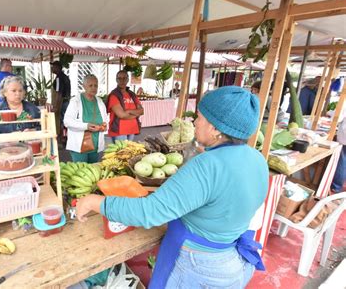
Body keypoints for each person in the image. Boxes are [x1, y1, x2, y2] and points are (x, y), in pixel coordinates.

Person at [77, 86, 269, 288]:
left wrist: (95, 202)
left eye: (200, 117)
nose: (195, 122)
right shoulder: (257, 159)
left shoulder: (207, 166)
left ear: (216, 128)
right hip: (232, 265)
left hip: (198, 267)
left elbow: (149, 212)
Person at [64, 74, 108, 163]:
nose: (93, 88)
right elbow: (67, 121)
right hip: (80, 145)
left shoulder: (99, 101)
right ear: (84, 86)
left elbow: (105, 118)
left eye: (95, 85)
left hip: (95, 144)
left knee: (93, 170)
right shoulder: (75, 101)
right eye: (90, 85)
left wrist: (104, 125)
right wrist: (86, 126)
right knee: (81, 171)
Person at [106, 70, 144, 142]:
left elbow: (142, 111)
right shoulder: (114, 95)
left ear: (128, 79)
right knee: (121, 152)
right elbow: (122, 115)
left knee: (129, 152)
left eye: (124, 78)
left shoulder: (132, 94)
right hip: (119, 131)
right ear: (116, 80)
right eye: (119, 78)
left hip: (132, 129)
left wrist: (128, 111)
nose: (122, 80)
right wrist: (136, 114)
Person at [50, 61, 72, 141]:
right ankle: (66, 137)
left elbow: (59, 93)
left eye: (53, 67)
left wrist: (56, 106)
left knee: (62, 120)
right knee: (65, 120)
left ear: (58, 68)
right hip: (66, 101)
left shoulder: (59, 78)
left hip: (62, 102)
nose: (52, 68)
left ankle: (62, 138)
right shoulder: (65, 77)